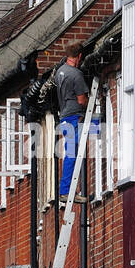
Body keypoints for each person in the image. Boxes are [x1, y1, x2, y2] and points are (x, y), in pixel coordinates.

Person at [53, 43, 89, 199]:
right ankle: (66, 191)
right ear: (80, 56)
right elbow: (81, 100)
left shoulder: (60, 72)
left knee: (70, 152)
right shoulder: (76, 75)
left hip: (64, 115)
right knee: (72, 153)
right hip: (74, 115)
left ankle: (66, 190)